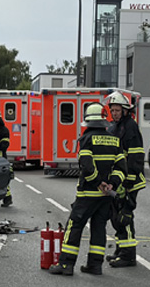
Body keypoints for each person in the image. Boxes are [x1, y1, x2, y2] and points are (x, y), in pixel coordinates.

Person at [49, 103, 126, 276]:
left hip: (87, 194)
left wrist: (98, 182)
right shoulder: (115, 140)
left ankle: (66, 264)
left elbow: (86, 166)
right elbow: (121, 168)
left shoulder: (86, 139)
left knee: (75, 226)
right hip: (106, 196)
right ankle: (95, 265)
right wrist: (111, 184)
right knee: (99, 228)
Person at [104, 91, 145, 267]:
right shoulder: (115, 127)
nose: (114, 113)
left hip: (130, 181)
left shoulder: (130, 127)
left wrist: (129, 182)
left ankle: (128, 256)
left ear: (125, 110)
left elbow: (135, 156)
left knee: (124, 216)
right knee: (116, 217)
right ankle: (121, 249)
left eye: (117, 110)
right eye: (112, 110)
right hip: (119, 181)